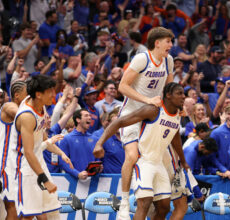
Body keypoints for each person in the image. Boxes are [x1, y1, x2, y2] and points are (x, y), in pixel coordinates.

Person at [94, 82, 189, 220]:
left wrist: (183, 161)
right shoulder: (153, 110)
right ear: (168, 95)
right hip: (144, 162)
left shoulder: (177, 115)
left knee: (164, 208)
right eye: (179, 93)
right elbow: (119, 122)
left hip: (159, 164)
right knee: (144, 203)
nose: (183, 96)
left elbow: (175, 139)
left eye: (183, 93)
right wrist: (99, 144)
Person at [111, 26, 174, 219]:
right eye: (168, 42)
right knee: (132, 156)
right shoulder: (142, 59)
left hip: (153, 116)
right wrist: (147, 100)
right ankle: (123, 201)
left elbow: (169, 88)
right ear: (157, 43)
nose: (171, 45)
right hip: (132, 113)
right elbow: (122, 86)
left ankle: (156, 200)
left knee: (164, 161)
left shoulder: (168, 61)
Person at [8, 75, 73, 218]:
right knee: (28, 215)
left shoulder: (40, 104)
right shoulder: (27, 116)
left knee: (48, 212)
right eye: (50, 91)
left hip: (38, 163)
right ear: (38, 94)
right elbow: (28, 152)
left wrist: (61, 153)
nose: (54, 95)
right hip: (23, 166)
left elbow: (43, 138)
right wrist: (44, 179)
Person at [0, 81, 27, 220]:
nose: (31, 97)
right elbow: (21, 115)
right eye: (27, 94)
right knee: (12, 208)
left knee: (20, 210)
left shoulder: (28, 114)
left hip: (17, 166)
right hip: (5, 164)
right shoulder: (8, 106)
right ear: (17, 95)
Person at [59, 109, 94, 180]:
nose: (90, 118)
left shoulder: (94, 138)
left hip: (93, 181)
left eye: (90, 116)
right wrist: (77, 174)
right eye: (86, 116)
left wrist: (99, 168)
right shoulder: (66, 139)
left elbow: (97, 159)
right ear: (78, 120)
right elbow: (63, 163)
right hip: (74, 180)